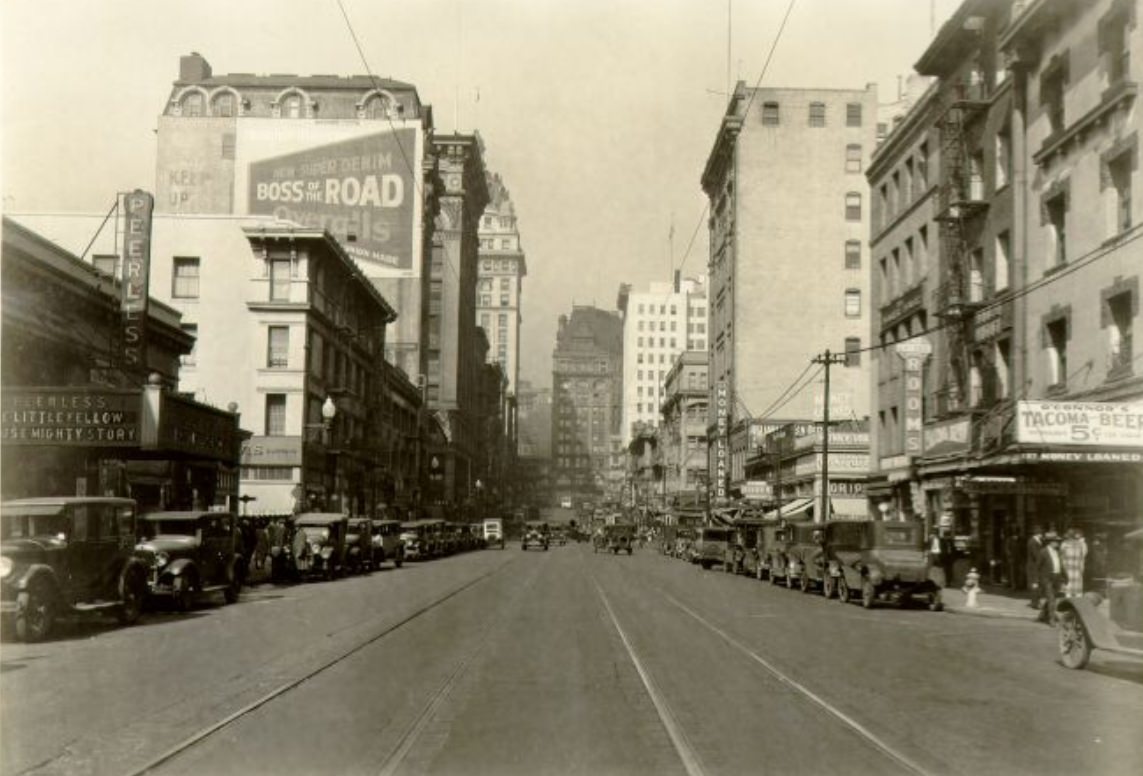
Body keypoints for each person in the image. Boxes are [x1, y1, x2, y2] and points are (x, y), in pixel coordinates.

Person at [1037, 532, 1065, 625]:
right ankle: (1051, 619)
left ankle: (1042, 615)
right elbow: (1038, 567)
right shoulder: (1043, 552)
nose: (1058, 543)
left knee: (1053, 598)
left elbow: (1060, 565)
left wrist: (1064, 577)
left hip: (1056, 577)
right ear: (1050, 542)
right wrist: (1037, 580)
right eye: (1056, 541)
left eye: (1058, 541)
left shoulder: (1057, 552)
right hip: (1047, 578)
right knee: (1051, 598)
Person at [1060, 528, 1088, 598]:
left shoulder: (1064, 544)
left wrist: (1063, 565)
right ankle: (1077, 597)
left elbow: (1061, 555)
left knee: (1068, 582)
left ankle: (1068, 598)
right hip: (1077, 566)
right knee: (1077, 582)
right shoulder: (1080, 544)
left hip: (1068, 566)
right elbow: (1084, 554)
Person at [1026, 525, 1045, 609]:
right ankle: (1035, 603)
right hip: (1033, 566)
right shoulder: (1033, 542)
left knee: (1036, 584)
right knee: (1034, 584)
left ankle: (1036, 601)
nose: (1042, 535)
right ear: (1038, 533)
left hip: (1035, 566)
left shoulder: (1036, 541)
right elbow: (1036, 555)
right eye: (1041, 533)